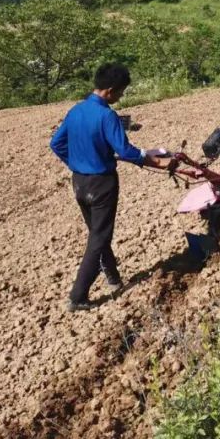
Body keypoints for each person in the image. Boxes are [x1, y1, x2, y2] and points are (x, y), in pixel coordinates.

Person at [50, 63, 171, 312]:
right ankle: (77, 296)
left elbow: (56, 143)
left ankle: (113, 277)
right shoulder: (107, 116)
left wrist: (77, 161)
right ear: (111, 90)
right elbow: (124, 150)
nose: (121, 97)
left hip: (79, 182)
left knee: (97, 232)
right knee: (99, 238)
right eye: (121, 92)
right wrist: (155, 161)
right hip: (102, 184)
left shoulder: (76, 110)